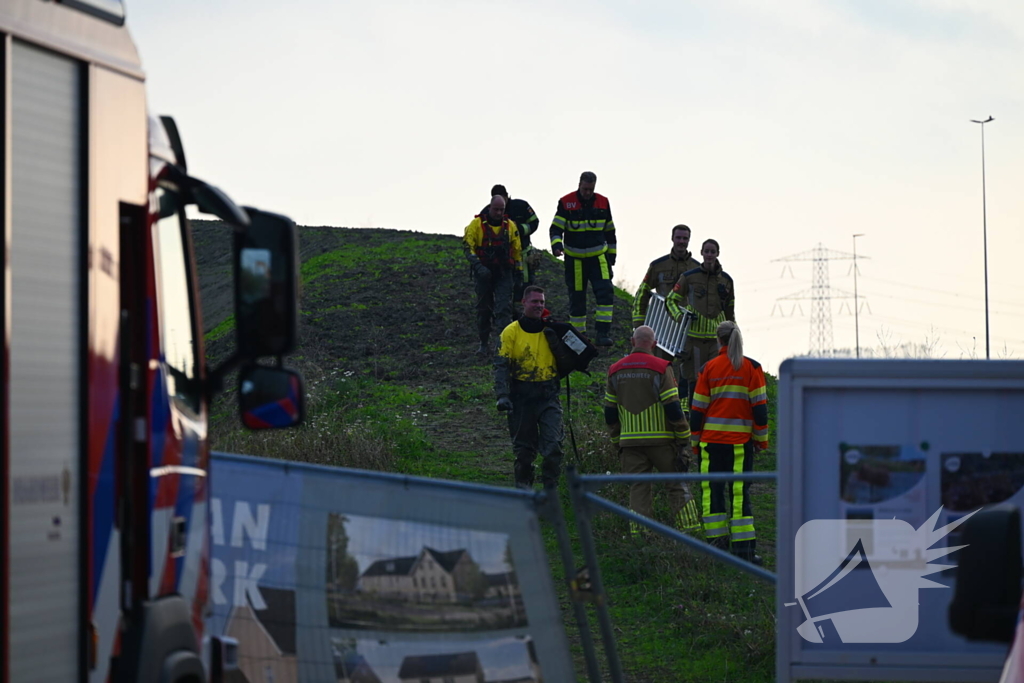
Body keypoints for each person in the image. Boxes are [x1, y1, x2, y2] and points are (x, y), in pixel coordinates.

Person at [605, 325, 702, 538]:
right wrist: (682, 437)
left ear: (633, 342)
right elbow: (673, 406)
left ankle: (641, 535)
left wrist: (617, 440)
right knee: (677, 483)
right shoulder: (661, 367)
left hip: (630, 442)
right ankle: (690, 533)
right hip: (662, 441)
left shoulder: (615, 370)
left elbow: (610, 412)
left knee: (638, 487)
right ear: (654, 344)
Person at [689, 321, 768, 565]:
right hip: (740, 444)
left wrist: (695, 442)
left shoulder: (708, 368)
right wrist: (761, 441)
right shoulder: (752, 368)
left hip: (710, 443)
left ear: (718, 339)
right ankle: (744, 551)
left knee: (712, 493)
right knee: (739, 495)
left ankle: (717, 547)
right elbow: (760, 410)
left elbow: (697, 409)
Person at [494, 286, 563, 489]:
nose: (539, 305)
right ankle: (524, 492)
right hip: (521, 398)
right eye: (534, 301)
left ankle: (551, 493)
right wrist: (502, 395)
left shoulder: (552, 330)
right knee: (524, 453)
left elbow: (573, 355)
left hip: (548, 396)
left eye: (542, 302)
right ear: (523, 303)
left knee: (553, 447)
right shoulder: (511, 332)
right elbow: (501, 364)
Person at [665, 238, 735, 413]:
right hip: (693, 339)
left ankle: (712, 414)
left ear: (718, 254)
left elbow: (730, 310)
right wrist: (680, 317)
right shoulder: (689, 277)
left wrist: (733, 335)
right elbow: (670, 300)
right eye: (707, 251)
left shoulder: (727, 280)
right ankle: (693, 415)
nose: (709, 255)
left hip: (717, 341)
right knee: (694, 379)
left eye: (713, 252)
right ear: (702, 253)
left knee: (716, 379)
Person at [549, 171, 616, 346]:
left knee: (605, 293)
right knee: (577, 298)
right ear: (579, 185)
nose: (587, 193)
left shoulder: (603, 202)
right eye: (585, 189)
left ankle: (602, 334)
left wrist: (612, 256)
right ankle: (580, 336)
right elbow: (556, 228)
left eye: (591, 189)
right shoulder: (566, 202)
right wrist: (556, 246)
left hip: (599, 259)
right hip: (575, 260)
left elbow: (610, 231)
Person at [630, 224, 701, 365]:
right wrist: (639, 324)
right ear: (672, 238)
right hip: (662, 327)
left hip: (688, 328)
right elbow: (642, 294)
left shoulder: (698, 268)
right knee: (659, 365)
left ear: (689, 240)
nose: (681, 241)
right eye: (678, 238)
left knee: (688, 369)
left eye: (685, 238)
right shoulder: (658, 266)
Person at [463, 195, 522, 355]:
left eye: (501, 210)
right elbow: (468, 247)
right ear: (489, 208)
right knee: (484, 309)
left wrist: (519, 273)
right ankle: (483, 344)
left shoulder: (510, 226)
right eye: (496, 209)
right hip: (483, 274)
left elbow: (517, 250)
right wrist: (478, 267)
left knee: (504, 309)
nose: (498, 213)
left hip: (504, 273)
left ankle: (503, 346)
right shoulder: (476, 225)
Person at [485, 185, 540, 301]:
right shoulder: (487, 212)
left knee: (525, 286)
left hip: (523, 255)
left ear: (506, 196)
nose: (499, 211)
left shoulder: (521, 206)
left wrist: (518, 229)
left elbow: (534, 222)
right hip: (502, 259)